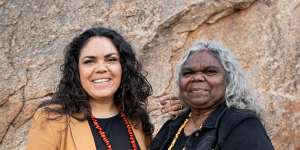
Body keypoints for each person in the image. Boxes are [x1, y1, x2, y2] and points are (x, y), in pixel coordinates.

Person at [26, 27, 182, 150]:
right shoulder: (52, 119)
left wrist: (186, 110)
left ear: (123, 67)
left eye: (111, 59)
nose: (101, 68)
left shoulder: (136, 119)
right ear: (76, 70)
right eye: (89, 61)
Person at [151, 42, 274, 150]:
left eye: (210, 72)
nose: (197, 78)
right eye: (188, 73)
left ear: (228, 80)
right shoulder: (173, 126)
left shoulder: (242, 124)